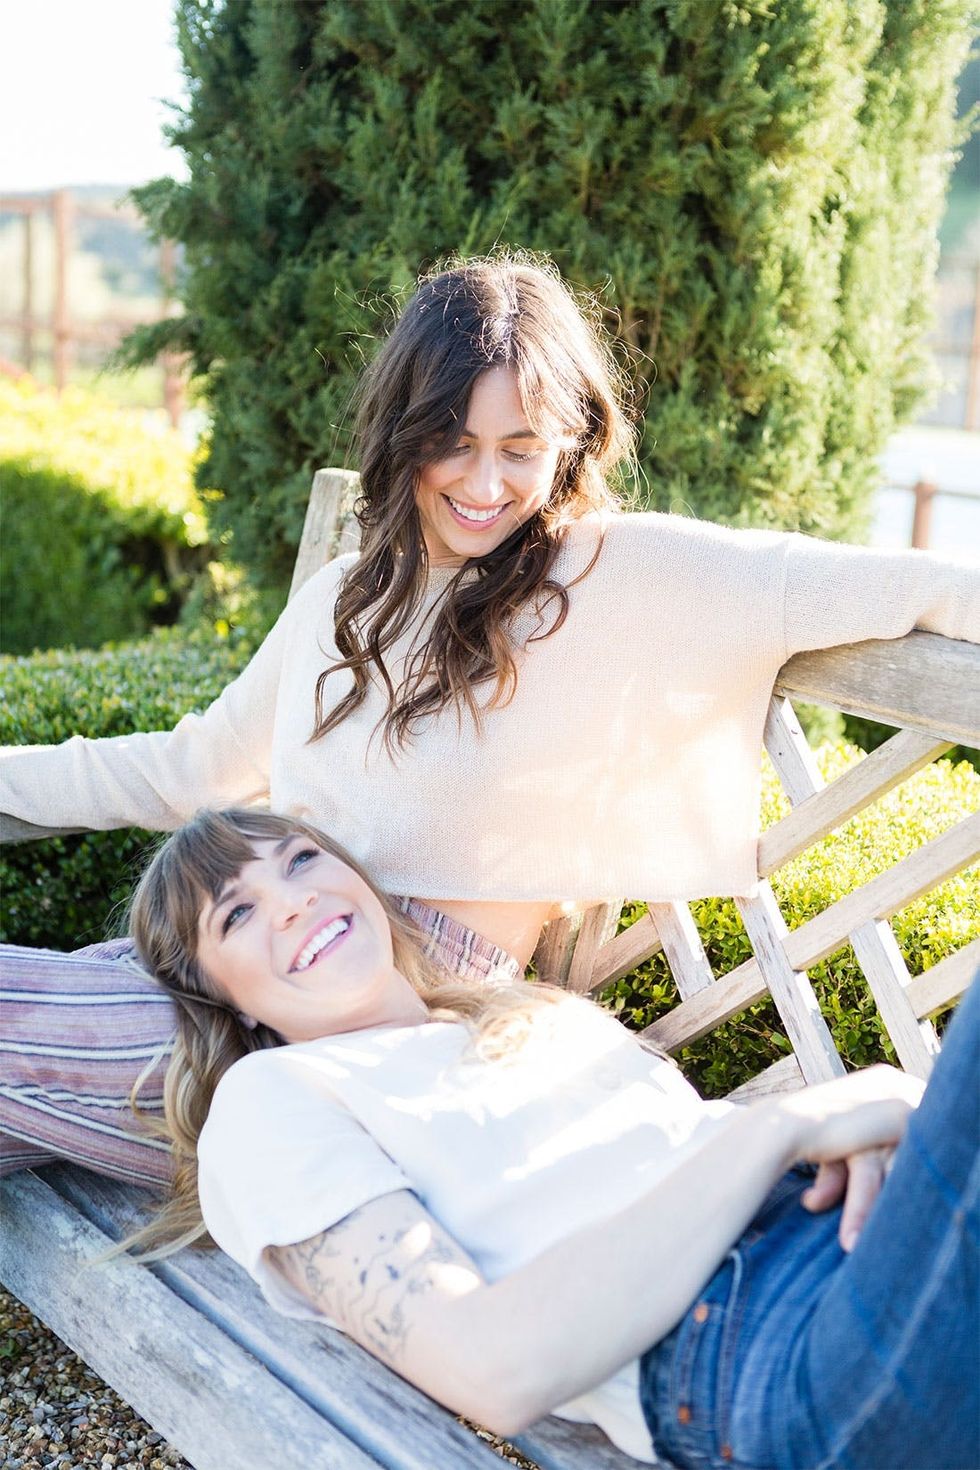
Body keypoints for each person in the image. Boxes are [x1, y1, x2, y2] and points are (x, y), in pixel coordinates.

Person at [2, 253, 979, 1184]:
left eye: (519, 449)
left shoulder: (614, 574)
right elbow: (192, 769)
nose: (483, 486)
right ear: (403, 433)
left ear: (571, 441)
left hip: (381, 1040)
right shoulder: (347, 597)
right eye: (452, 444)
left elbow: (913, 585)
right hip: (238, 979)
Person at [123, 806, 978, 1470]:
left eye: (302, 860)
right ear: (219, 996)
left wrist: (874, 1131)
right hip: (763, 1336)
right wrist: (783, 1128)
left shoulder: (520, 1016)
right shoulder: (271, 1101)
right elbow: (496, 1369)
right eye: (238, 913)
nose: (294, 900)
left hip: (852, 1234)